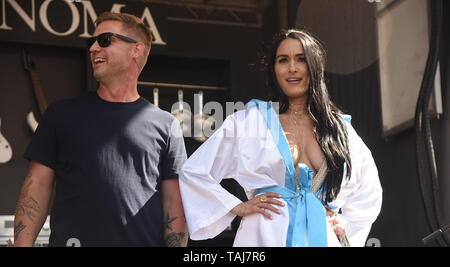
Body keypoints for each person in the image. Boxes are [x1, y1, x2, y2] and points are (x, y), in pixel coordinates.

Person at [178, 29, 382, 247]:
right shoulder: (249, 122)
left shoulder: (339, 129)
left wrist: (342, 224)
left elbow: (368, 192)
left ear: (315, 67)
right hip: (263, 237)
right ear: (274, 69)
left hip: (321, 237)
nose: (292, 68)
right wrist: (238, 207)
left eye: (301, 59)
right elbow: (194, 172)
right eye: (283, 60)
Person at [14, 12, 188, 247]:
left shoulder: (167, 125)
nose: (93, 48)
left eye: (105, 40)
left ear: (136, 50)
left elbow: (174, 202)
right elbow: (37, 186)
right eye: (92, 42)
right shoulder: (60, 114)